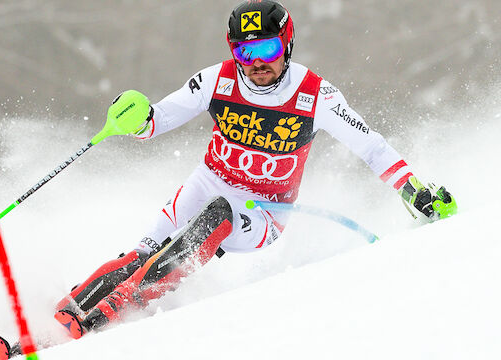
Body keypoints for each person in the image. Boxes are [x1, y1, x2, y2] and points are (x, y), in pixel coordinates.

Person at [53, 0, 457, 340]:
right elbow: (158, 120)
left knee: (217, 216)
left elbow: (370, 146)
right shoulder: (217, 79)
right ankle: (58, 321)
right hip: (207, 181)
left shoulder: (316, 95)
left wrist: (413, 190)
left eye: (267, 50)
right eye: (246, 54)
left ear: (288, 45)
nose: (257, 64)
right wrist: (136, 119)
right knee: (140, 254)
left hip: (264, 211)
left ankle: (116, 310)